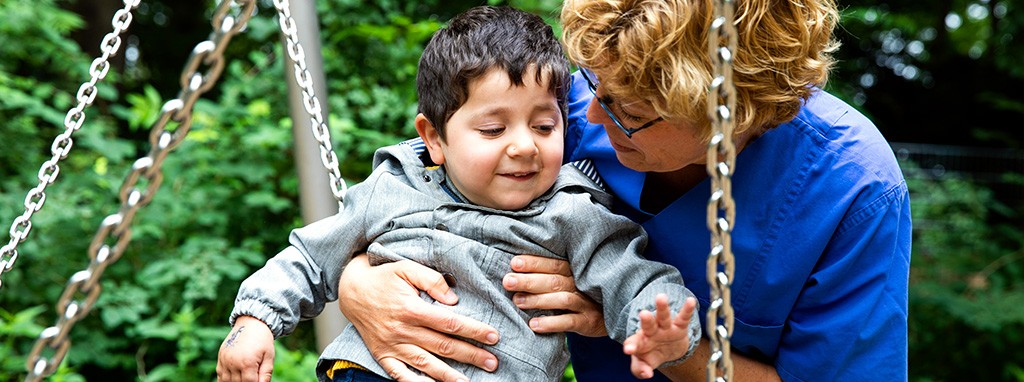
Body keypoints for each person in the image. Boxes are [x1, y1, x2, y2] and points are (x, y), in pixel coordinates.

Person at [333, 0, 912, 381]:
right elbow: (419, 181)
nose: (594, 119)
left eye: (631, 113)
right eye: (595, 88)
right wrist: (357, 278)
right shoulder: (566, 112)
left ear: (734, 115)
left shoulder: (853, 191)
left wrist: (625, 321)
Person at [216, 5, 702, 382]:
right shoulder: (396, 186)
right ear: (433, 139)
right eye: (493, 129)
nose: (524, 146)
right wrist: (254, 321)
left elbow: (632, 277)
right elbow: (309, 256)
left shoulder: (575, 212)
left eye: (544, 125)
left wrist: (662, 324)